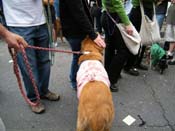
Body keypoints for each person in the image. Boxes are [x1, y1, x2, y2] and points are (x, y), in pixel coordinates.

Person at [2, 0, 60, 114]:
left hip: (41, 21)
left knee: (45, 62)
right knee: (28, 66)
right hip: (18, 24)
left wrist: (51, 21)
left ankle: (43, 91)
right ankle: (34, 98)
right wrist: (5, 34)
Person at [60, 0, 106, 90]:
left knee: (78, 56)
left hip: (78, 30)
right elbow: (79, 13)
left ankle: (75, 79)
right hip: (75, 31)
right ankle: (75, 81)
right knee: (78, 56)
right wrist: (93, 35)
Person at [101, 0, 133, 92]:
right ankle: (111, 79)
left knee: (110, 48)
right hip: (112, 18)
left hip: (107, 15)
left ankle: (108, 76)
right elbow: (117, 4)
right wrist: (127, 23)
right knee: (123, 51)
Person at [123, 0, 155, 76]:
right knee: (135, 39)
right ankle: (128, 65)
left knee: (144, 39)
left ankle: (137, 62)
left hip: (147, 10)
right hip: (138, 10)